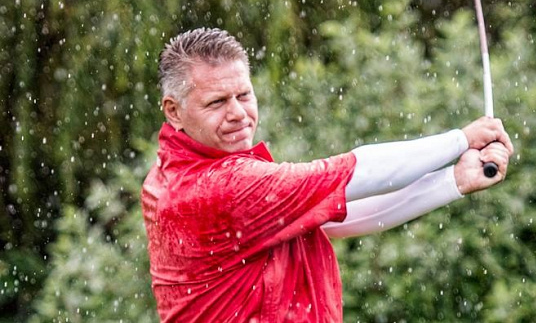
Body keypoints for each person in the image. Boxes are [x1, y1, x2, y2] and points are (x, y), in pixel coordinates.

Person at [141, 28, 514, 322]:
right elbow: (357, 172)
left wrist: (453, 180)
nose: (238, 113)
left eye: (244, 95)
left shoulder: (174, 174)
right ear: (173, 111)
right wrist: (461, 139)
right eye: (217, 102)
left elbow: (337, 216)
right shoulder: (217, 188)